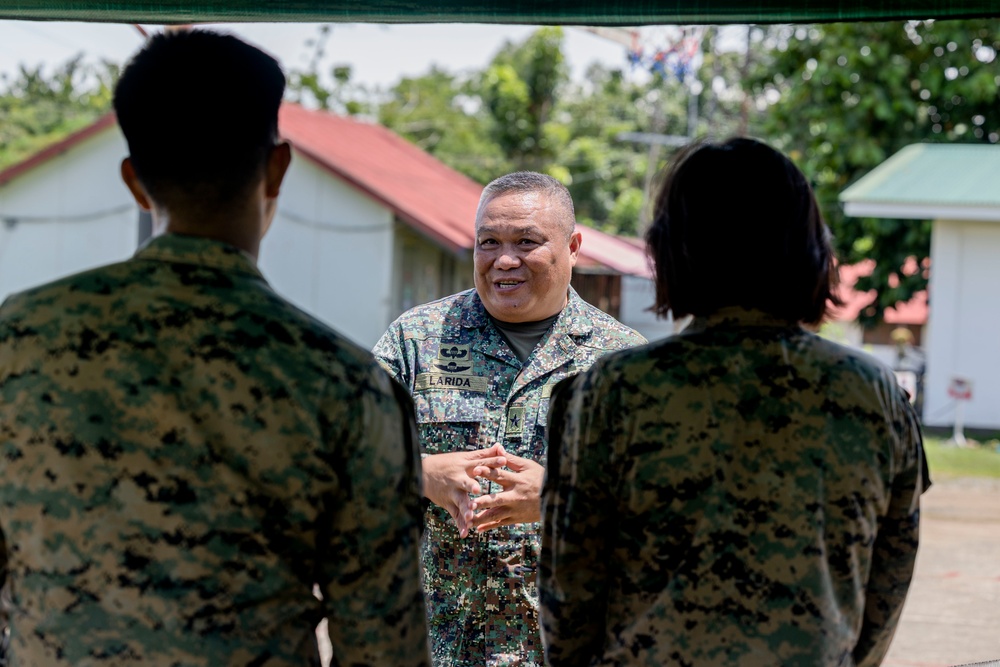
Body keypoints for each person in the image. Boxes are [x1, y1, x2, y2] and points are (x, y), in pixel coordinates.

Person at [0, 30, 429, 667]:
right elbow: (384, 645)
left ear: (134, 181)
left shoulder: (17, 339)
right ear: (277, 168)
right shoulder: (346, 383)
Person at [540, 137, 930, 667]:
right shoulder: (875, 392)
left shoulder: (608, 392)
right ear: (810, 247)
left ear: (672, 249)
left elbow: (569, 598)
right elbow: (889, 578)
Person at [373, 171, 646, 667]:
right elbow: (338, 457)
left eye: (527, 242)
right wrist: (420, 471)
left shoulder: (624, 363)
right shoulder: (417, 341)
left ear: (573, 246)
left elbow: (667, 509)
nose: (504, 260)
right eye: (488, 242)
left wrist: (562, 499)